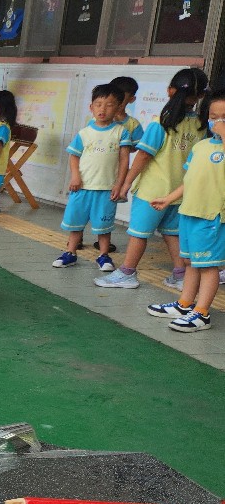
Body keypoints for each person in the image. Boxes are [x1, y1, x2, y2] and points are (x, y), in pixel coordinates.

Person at [95, 68, 206, 291]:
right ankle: (180, 275)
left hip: (152, 192)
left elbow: (144, 156)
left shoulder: (161, 123)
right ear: (201, 96)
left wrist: (126, 183)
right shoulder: (201, 126)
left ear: (170, 91)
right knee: (172, 233)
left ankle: (127, 273)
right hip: (179, 191)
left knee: (139, 233)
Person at [144, 87, 225, 332]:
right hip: (189, 213)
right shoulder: (201, 146)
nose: (218, 122)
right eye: (214, 116)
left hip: (212, 216)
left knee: (208, 266)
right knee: (190, 262)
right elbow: (189, 179)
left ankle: (202, 313)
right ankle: (184, 304)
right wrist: (169, 198)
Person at [53, 84, 123, 270]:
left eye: (109, 105)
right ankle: (70, 253)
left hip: (106, 189)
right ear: (91, 107)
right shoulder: (84, 133)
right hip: (82, 187)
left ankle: (104, 256)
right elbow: (74, 156)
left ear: (118, 108)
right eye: (98, 104)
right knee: (75, 223)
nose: (103, 109)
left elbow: (124, 161)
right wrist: (75, 177)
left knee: (104, 226)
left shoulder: (121, 132)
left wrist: (119, 184)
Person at [110, 75, 142, 202]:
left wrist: (124, 146)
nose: (116, 102)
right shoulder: (98, 120)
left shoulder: (133, 124)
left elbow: (136, 147)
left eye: (121, 98)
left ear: (131, 99)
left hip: (117, 173)